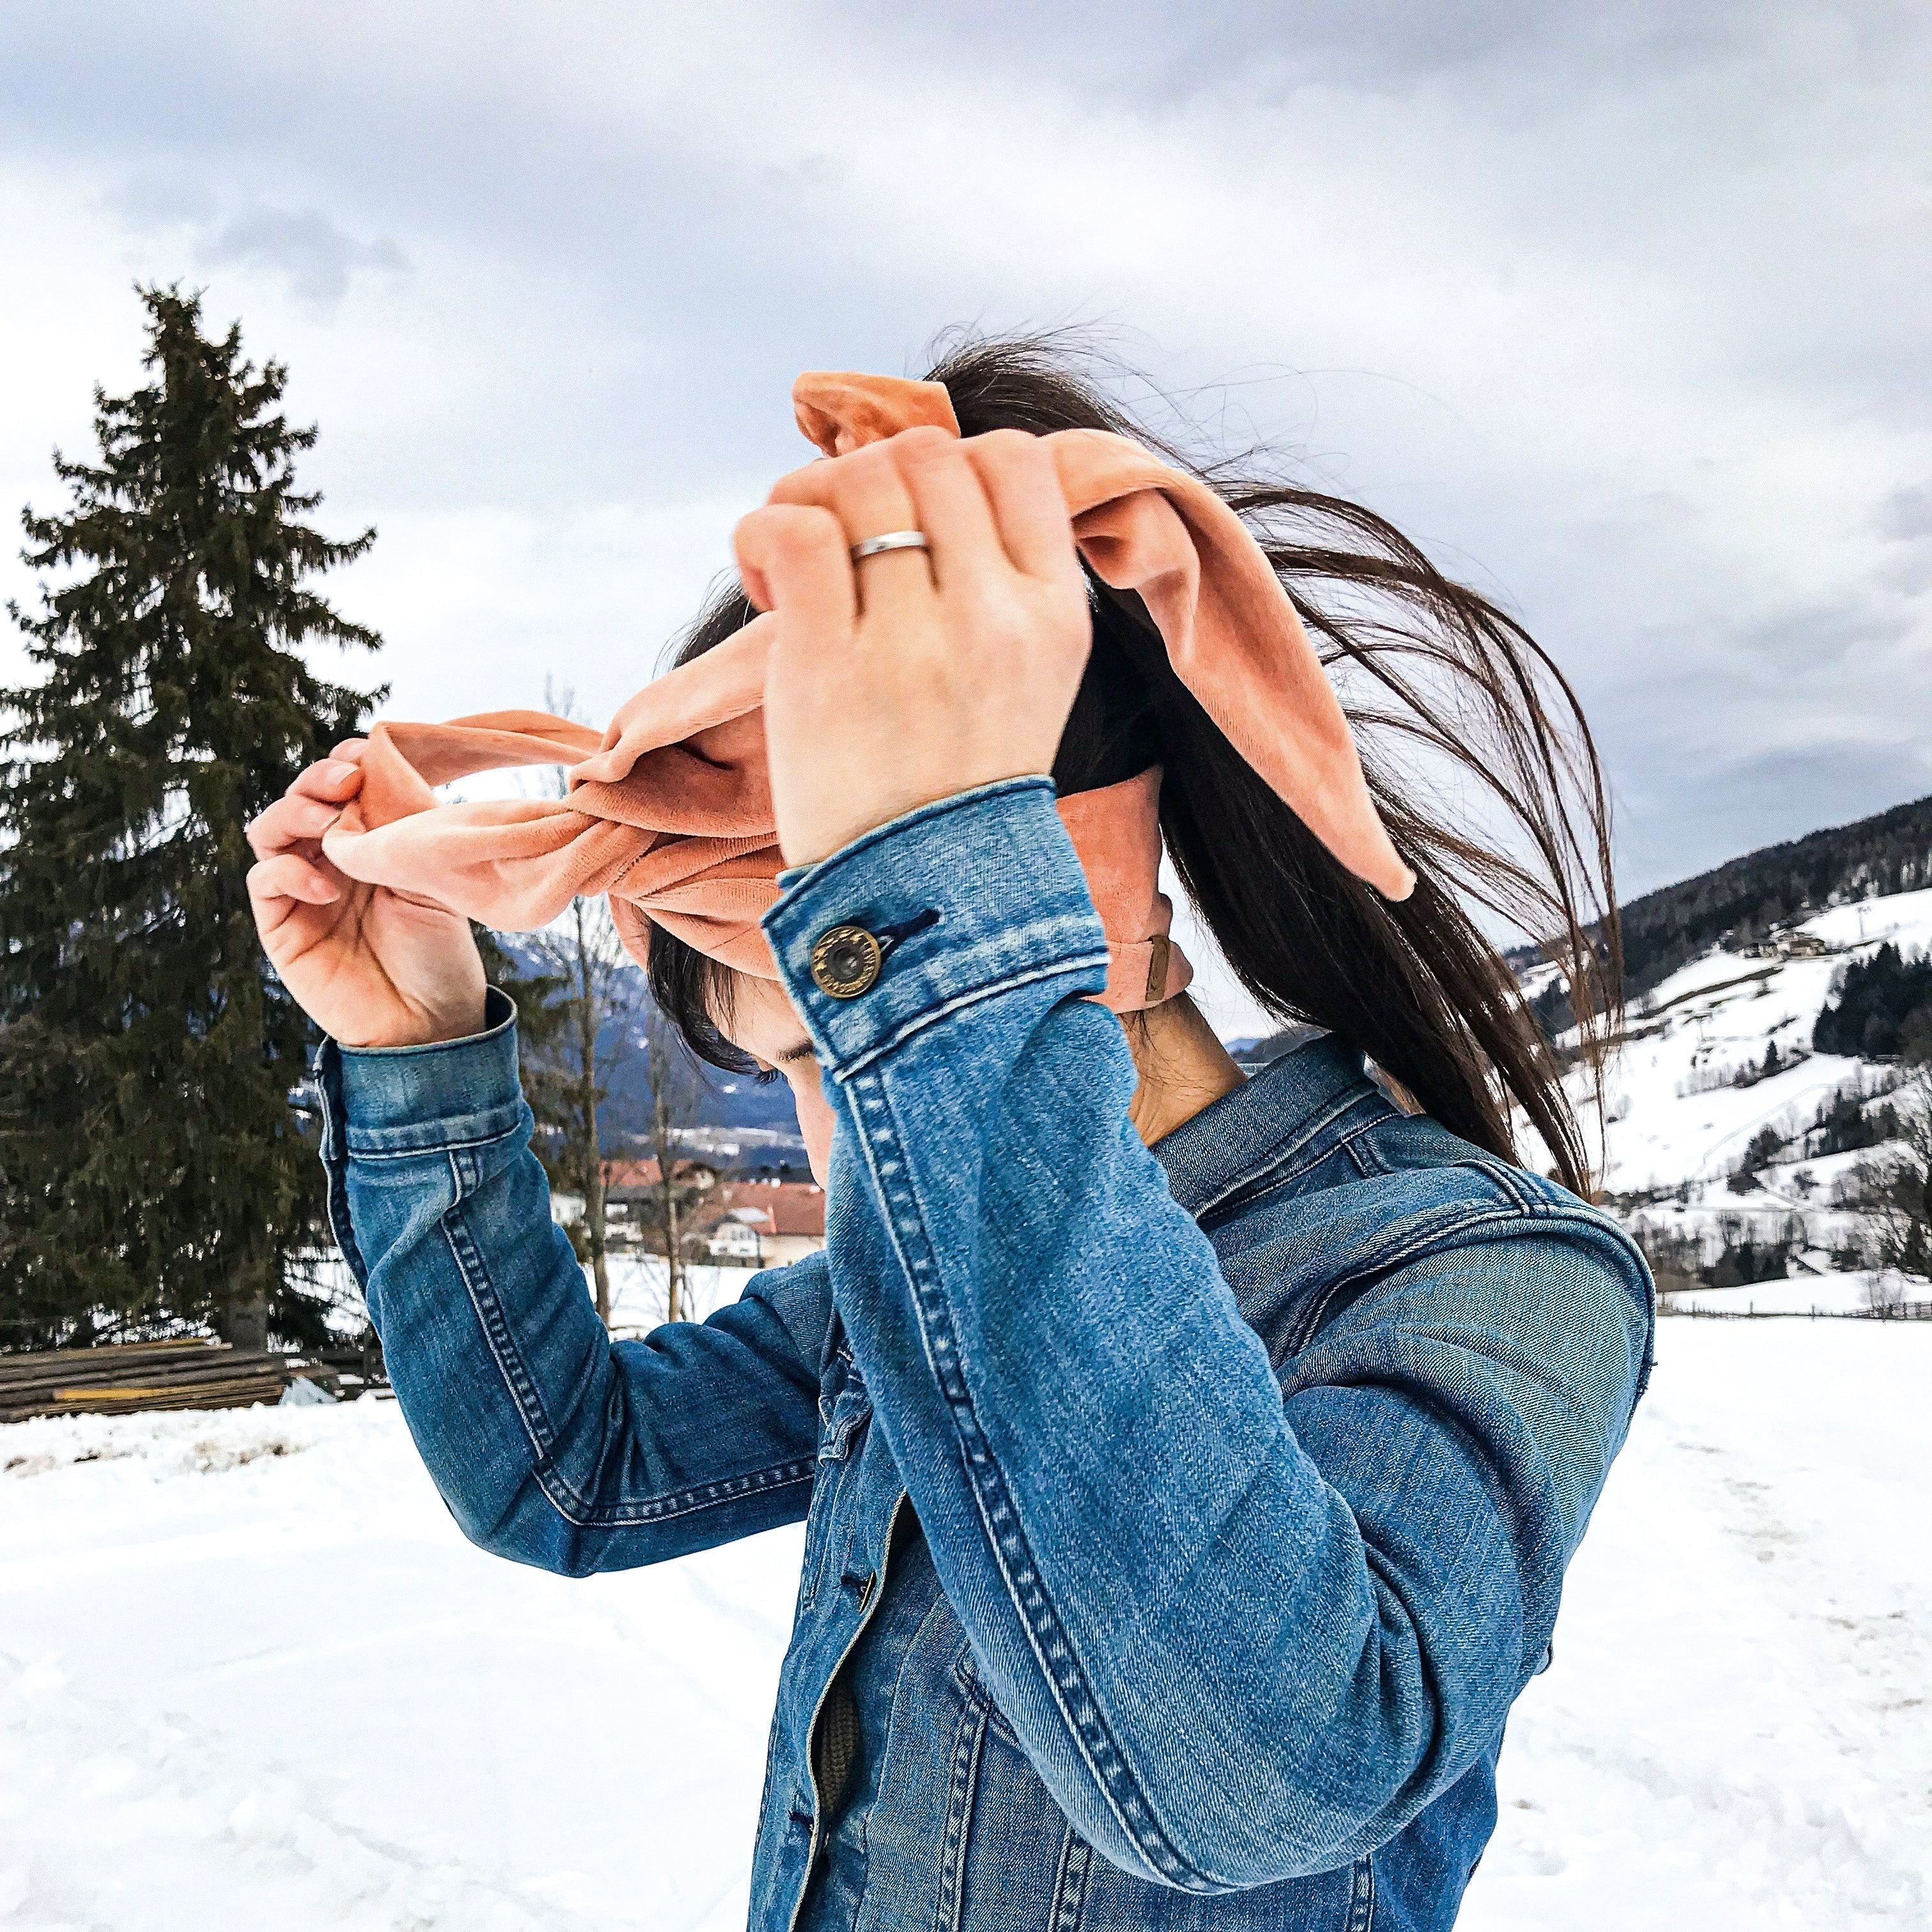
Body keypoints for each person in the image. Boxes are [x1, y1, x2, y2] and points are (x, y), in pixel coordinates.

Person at [247, 335, 1655, 1932]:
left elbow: (1273, 1776)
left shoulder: (1488, 1274)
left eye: (839, 1039)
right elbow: (574, 1476)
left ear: (1036, 909)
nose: (822, 1136)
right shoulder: (895, 1272)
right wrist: (422, 1058)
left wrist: (930, 935)